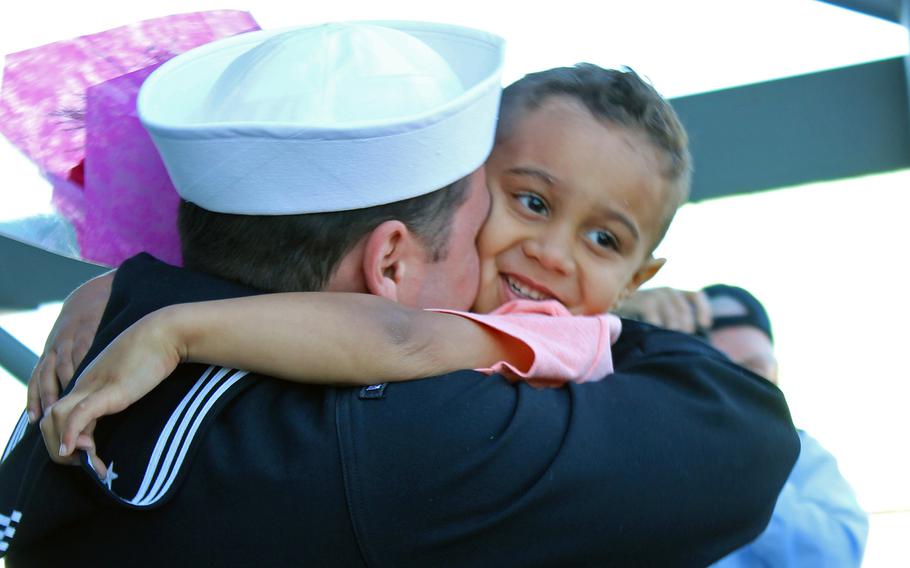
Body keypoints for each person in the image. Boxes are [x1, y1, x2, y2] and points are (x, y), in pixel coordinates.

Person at [1, 22, 798, 566]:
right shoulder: (385, 448)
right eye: (508, 206)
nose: (542, 257)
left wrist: (141, 296)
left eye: (602, 241)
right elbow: (746, 443)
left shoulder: (88, 355)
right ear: (391, 264)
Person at [618, 284, 869, 567]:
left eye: (755, 370)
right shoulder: (643, 446)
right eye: (719, 369)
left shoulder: (805, 455)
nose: (739, 387)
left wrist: (740, 469)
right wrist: (615, 326)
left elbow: (838, 556)